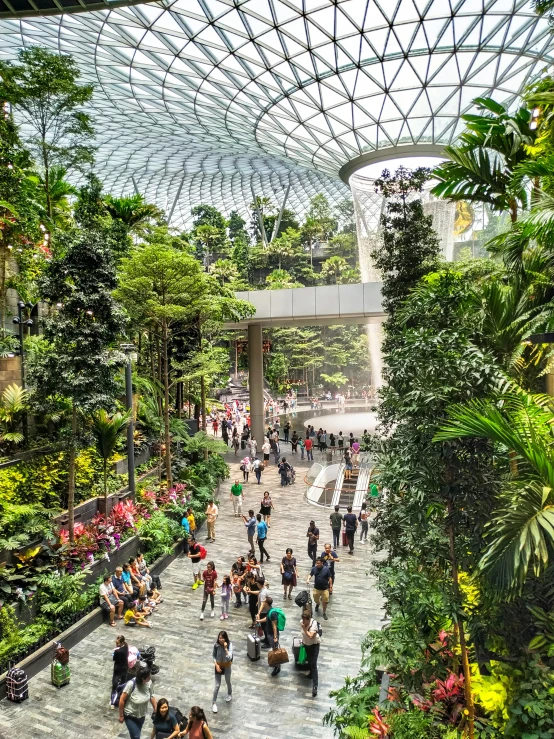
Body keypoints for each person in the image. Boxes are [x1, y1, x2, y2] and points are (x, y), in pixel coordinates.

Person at [119, 666, 156, 739]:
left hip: (141, 715)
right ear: (143, 679)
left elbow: (151, 696)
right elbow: (122, 699)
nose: (150, 677)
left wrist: (156, 709)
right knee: (136, 737)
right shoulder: (131, 684)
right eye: (148, 676)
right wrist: (121, 715)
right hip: (130, 715)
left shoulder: (149, 683)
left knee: (136, 735)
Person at [300, 610, 321, 697]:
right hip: (306, 644)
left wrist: (305, 629)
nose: (303, 622)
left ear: (309, 619)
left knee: (313, 664)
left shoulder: (314, 624)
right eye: (303, 619)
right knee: (309, 660)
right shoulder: (301, 622)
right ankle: (311, 674)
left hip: (314, 645)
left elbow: (311, 636)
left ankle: (315, 686)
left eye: (305, 620)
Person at [211, 630, 233, 713]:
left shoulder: (230, 645)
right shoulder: (216, 645)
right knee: (217, 685)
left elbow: (229, 657)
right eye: (219, 638)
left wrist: (225, 648)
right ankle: (214, 702)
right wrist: (216, 665)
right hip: (219, 665)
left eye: (222, 638)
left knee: (228, 681)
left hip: (227, 665)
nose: (221, 640)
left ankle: (229, 693)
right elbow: (213, 655)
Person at [264, 596, 283, 676]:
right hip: (270, 634)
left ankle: (277, 667)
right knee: (274, 648)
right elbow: (266, 619)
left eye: (264, 602)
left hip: (272, 635)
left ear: (267, 604)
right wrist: (259, 620)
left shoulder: (273, 613)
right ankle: (275, 663)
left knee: (275, 650)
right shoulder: (269, 611)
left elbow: (274, 626)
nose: (263, 603)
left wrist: (275, 637)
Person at [111, 634, 128, 708]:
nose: (116, 644)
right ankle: (122, 698)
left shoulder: (117, 651)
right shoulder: (126, 647)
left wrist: (114, 653)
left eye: (117, 643)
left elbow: (114, 659)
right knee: (123, 683)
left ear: (121, 642)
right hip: (124, 668)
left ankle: (113, 702)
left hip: (118, 669)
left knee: (115, 685)